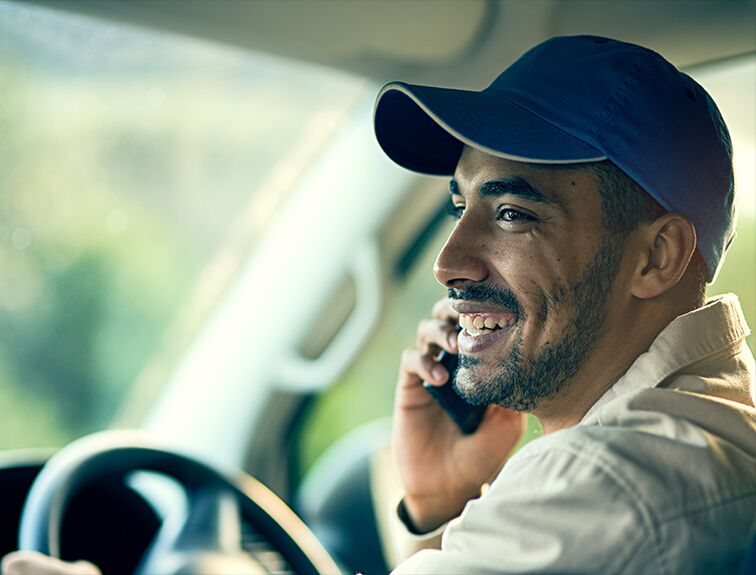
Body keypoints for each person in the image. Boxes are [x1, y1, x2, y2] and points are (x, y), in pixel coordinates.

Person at [3, 35, 755, 575]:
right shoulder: (704, 427)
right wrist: (443, 500)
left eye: (512, 213)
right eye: (460, 205)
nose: (449, 261)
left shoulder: (613, 483)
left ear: (655, 257)